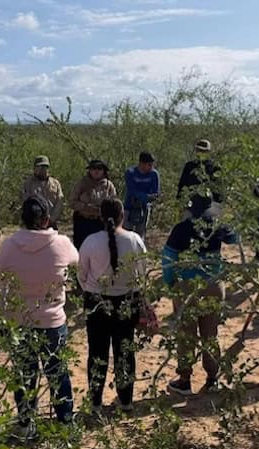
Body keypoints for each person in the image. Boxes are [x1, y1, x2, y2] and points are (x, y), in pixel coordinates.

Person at [0, 197, 79, 436]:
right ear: (46, 219)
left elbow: (1, 272)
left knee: (25, 373)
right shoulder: (61, 243)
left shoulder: (9, 245)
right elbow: (76, 261)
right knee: (57, 371)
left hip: (20, 320)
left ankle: (25, 424)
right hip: (52, 319)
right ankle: (65, 422)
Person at [162, 194, 237, 395]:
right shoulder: (217, 226)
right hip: (213, 284)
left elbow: (168, 258)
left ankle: (185, 380)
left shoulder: (181, 228)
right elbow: (235, 238)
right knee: (210, 333)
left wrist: (170, 283)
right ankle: (213, 378)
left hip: (187, 286)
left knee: (186, 333)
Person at [79, 199, 147, 413]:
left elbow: (82, 274)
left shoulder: (90, 241)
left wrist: (92, 289)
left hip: (97, 302)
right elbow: (142, 273)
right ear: (122, 216)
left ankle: (95, 403)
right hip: (126, 301)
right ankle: (126, 400)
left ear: (101, 216)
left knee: (97, 353)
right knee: (125, 351)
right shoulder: (134, 239)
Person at [69, 159, 117, 250]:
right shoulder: (82, 183)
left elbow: (114, 204)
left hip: (101, 223)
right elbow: (72, 202)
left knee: (100, 249)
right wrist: (85, 207)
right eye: (93, 168)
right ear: (89, 170)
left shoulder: (108, 186)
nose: (96, 171)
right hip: (83, 222)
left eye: (99, 169)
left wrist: (103, 210)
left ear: (103, 171)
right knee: (82, 248)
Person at [123, 152, 160, 240]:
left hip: (144, 208)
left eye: (152, 165)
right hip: (129, 206)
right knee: (126, 233)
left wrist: (147, 198)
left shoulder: (154, 174)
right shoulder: (130, 172)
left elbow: (155, 193)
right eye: (149, 165)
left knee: (140, 234)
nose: (151, 167)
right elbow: (132, 190)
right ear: (141, 164)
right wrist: (146, 196)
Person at [21, 156, 64, 229]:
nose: (43, 169)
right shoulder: (28, 184)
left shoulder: (55, 183)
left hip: (51, 223)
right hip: (34, 223)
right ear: (34, 168)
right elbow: (26, 201)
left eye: (45, 166)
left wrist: (51, 219)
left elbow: (59, 202)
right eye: (40, 167)